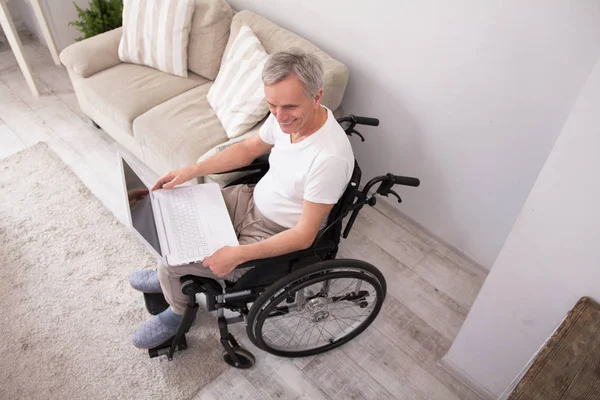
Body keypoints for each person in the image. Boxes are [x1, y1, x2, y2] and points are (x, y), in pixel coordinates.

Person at [129, 48, 355, 349]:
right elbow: (248, 149)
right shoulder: (286, 116)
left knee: (172, 260)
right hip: (249, 198)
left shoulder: (328, 159)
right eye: (272, 105)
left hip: (272, 233)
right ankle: (168, 277)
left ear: (317, 97)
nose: (279, 116)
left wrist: (237, 255)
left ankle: (176, 312)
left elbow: (303, 236)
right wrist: (190, 171)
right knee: (172, 213)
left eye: (288, 107)